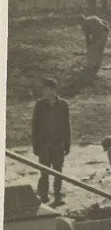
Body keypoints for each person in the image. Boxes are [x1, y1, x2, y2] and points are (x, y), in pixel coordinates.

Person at [31, 78, 71, 206]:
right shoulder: (39, 105)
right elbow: (35, 126)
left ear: (53, 90)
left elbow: (67, 125)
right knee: (44, 171)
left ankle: (58, 196)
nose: (43, 91)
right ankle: (43, 196)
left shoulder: (63, 105)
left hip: (58, 144)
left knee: (58, 172)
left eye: (46, 89)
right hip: (44, 145)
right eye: (43, 89)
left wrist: (67, 143)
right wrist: (35, 145)